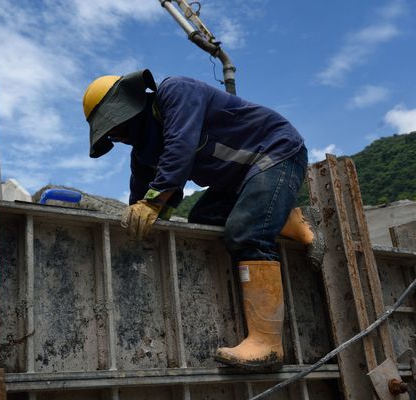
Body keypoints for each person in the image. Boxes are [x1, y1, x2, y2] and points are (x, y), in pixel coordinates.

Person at [82, 69, 322, 370]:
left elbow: (179, 148)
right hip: (238, 182)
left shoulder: (176, 93)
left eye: (115, 128)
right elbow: (142, 199)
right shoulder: (143, 154)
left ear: (128, 108)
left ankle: (268, 344)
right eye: (111, 136)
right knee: (203, 218)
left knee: (247, 234)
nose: (117, 137)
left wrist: (154, 202)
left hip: (275, 152)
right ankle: (286, 218)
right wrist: (141, 223)